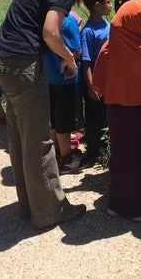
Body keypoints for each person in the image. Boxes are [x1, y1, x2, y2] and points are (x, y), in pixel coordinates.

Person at [0, 0, 141, 230]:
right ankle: (49, 212)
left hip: (2, 59)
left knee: (21, 139)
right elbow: (50, 30)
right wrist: (68, 57)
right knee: (39, 143)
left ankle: (29, 205)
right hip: (23, 65)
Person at [93, 0, 141, 221]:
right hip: (140, 112)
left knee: (119, 155)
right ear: (136, 22)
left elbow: (98, 81)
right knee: (138, 156)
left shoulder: (109, 48)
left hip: (116, 111)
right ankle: (136, 208)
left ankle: (116, 204)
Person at [43, 11, 82, 175]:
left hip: (48, 77)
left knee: (54, 117)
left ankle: (57, 152)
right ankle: (67, 158)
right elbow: (76, 50)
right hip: (66, 79)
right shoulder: (68, 22)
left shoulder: (44, 20)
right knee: (65, 120)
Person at [79, 0, 111, 168]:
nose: (110, 5)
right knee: (94, 118)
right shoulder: (88, 31)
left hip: (108, 83)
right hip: (95, 85)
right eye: (107, 2)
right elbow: (86, 62)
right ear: (97, 6)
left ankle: (104, 148)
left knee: (106, 117)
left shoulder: (108, 24)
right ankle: (93, 150)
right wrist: (91, 86)